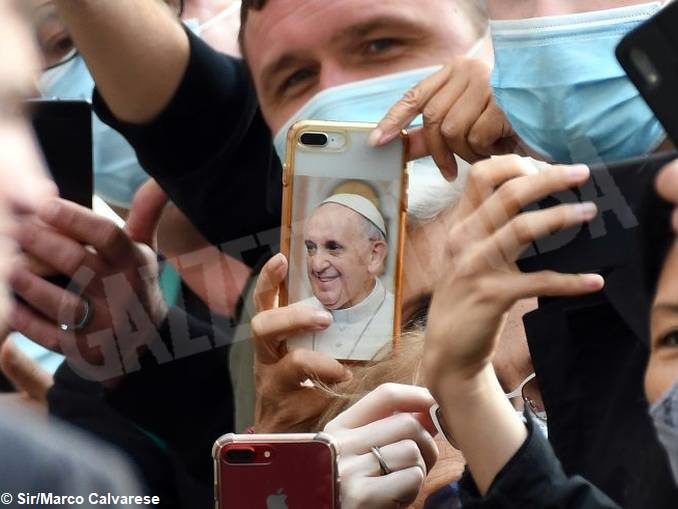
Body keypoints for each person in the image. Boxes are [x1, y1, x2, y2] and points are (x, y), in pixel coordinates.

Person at [291, 194, 394, 360]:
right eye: (311, 248)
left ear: (374, 256)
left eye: (333, 247)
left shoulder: (403, 322)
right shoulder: (291, 319)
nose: (317, 265)